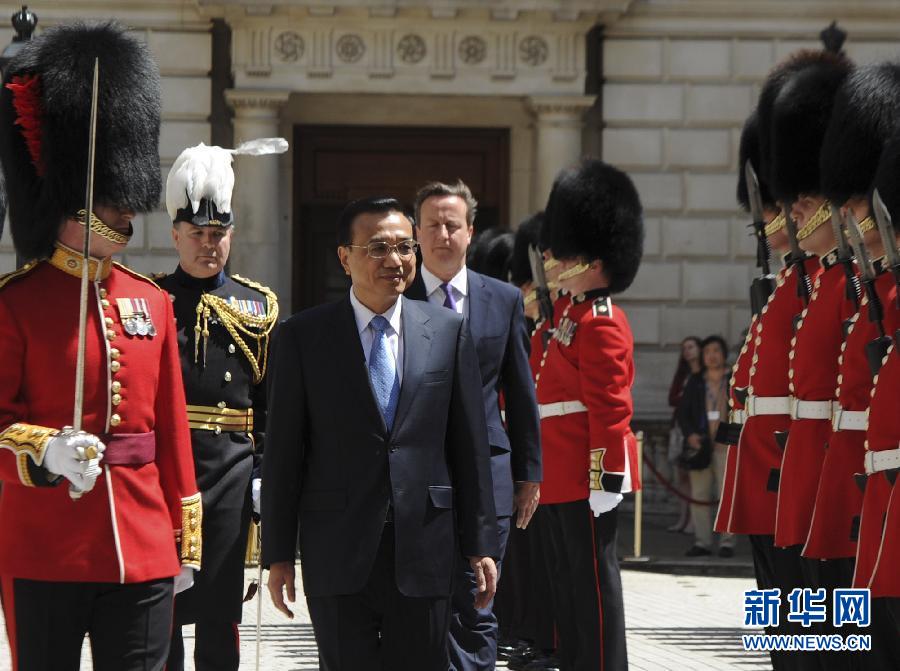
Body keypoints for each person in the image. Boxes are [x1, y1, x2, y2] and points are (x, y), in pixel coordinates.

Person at [0, 22, 201, 669]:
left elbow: (171, 430)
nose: (126, 212)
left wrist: (184, 540)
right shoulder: (16, 303)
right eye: (113, 201)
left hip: (142, 542)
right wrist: (45, 450)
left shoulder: (153, 302)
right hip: (46, 544)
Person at [262, 196, 499, 671]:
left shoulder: (448, 331)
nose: (395, 260)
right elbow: (284, 453)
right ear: (344, 257)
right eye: (377, 248)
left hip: (426, 546)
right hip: (337, 548)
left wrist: (480, 544)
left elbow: (470, 447)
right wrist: (279, 554)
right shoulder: (303, 336)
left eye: (405, 247)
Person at [405, 180, 541, 671]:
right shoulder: (395, 296)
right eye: (432, 225)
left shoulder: (502, 299)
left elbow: (521, 392)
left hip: (488, 474)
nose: (443, 235)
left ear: (470, 232)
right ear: (416, 233)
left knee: (479, 596)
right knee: (424, 601)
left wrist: (529, 473)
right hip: (416, 475)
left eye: (452, 225)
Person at [157, 140, 283, 671]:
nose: (208, 244)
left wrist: (264, 474)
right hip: (167, 469)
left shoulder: (257, 305)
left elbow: (270, 404)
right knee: (162, 609)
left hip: (231, 472)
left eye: (218, 234)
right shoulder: (153, 299)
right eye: (197, 234)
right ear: (175, 235)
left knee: (220, 610)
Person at [536, 159, 643, 671]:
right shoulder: (572, 316)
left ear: (594, 260)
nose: (557, 260)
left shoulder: (602, 321)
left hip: (585, 472)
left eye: (568, 254)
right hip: (560, 472)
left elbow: (611, 409)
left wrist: (605, 478)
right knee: (568, 583)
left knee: (594, 583)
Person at [676, 335, 736, 557]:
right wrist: (690, 434)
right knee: (699, 495)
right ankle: (702, 541)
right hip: (701, 445)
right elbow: (683, 413)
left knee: (726, 495)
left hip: (725, 445)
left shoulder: (733, 378)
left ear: (724, 353)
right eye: (707, 351)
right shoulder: (695, 381)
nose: (712, 356)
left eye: (716, 351)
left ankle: (727, 542)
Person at [666, 336, 702, 533]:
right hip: (679, 428)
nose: (687, 351)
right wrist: (685, 399)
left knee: (695, 477)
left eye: (691, 347)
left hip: (696, 429)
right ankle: (682, 518)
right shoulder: (683, 373)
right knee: (681, 477)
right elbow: (672, 398)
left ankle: (694, 522)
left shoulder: (703, 374)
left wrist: (685, 399)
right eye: (684, 348)